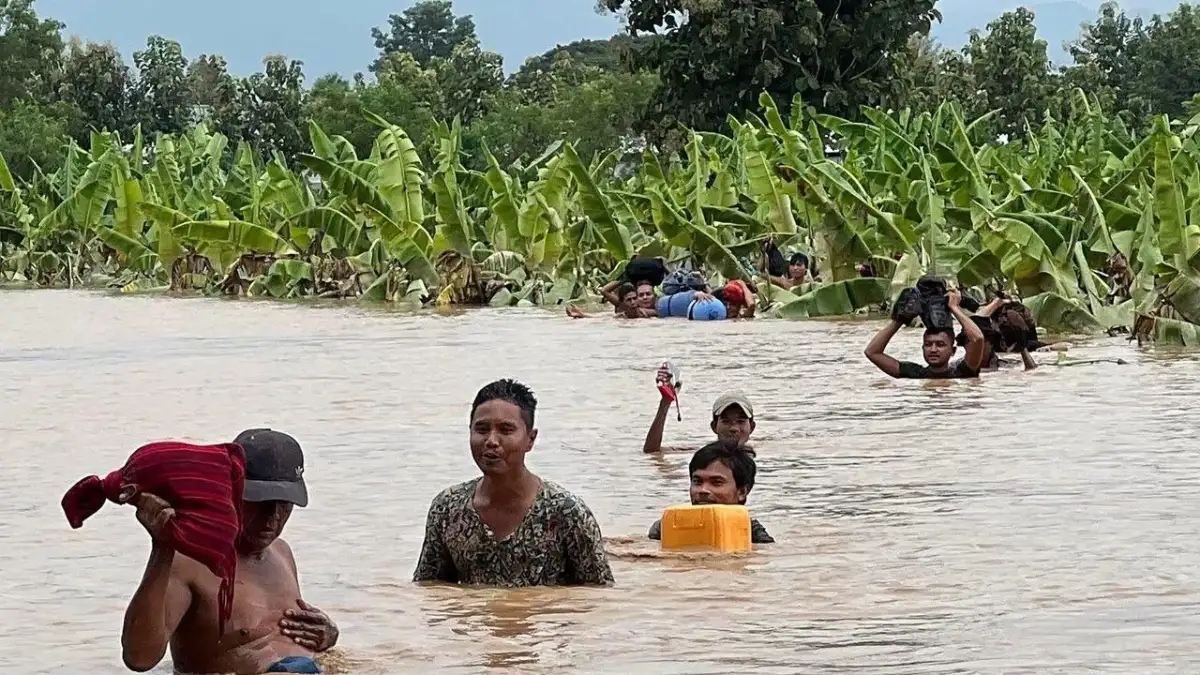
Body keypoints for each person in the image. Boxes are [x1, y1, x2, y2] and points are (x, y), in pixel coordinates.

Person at [121, 429, 337, 675]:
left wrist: (327, 637)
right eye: (260, 502)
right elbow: (139, 658)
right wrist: (161, 548)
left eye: (284, 504)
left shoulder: (281, 552)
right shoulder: (188, 562)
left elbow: (281, 637)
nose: (272, 518)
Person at [414, 379, 614, 586]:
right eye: (481, 429)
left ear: (530, 439)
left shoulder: (566, 512)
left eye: (506, 430)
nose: (491, 440)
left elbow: (597, 595)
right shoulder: (448, 509)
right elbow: (431, 590)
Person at [647, 441, 774, 544]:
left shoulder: (752, 533)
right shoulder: (666, 528)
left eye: (716, 482)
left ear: (742, 492)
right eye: (697, 481)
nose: (703, 490)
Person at [864, 287, 986, 379]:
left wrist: (954, 308)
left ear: (953, 351)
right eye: (928, 344)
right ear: (922, 348)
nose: (933, 349)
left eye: (940, 344)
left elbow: (978, 339)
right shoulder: (916, 373)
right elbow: (872, 352)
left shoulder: (963, 370)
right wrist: (899, 320)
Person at [643, 365, 755, 453]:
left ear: (752, 427)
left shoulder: (763, 451)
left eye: (741, 421)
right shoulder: (705, 452)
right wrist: (665, 402)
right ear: (714, 426)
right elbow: (652, 451)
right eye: (726, 421)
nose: (734, 428)